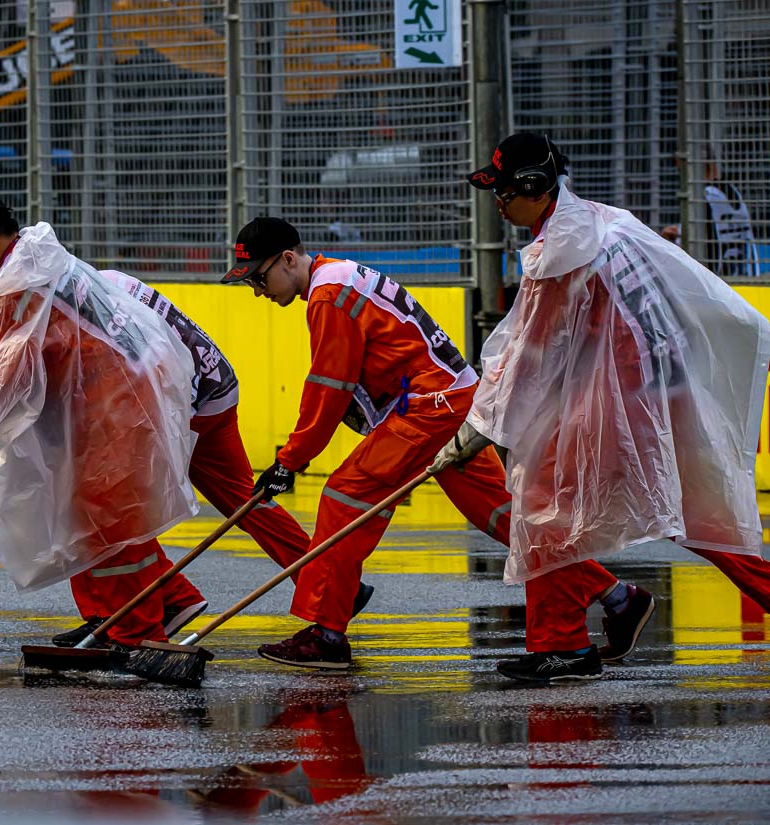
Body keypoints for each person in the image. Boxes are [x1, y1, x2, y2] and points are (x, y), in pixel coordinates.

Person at [452, 132, 770, 683]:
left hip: (619, 403)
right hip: (656, 390)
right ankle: (590, 624)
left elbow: (530, 355)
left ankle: (565, 644)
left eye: (503, 191)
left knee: (546, 503)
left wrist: (477, 429)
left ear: (533, 188)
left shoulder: (560, 252)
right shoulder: (605, 220)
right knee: (699, 517)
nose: (497, 203)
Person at [220, 216, 517, 671]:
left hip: (428, 406)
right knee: (503, 517)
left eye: (259, 278)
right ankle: (616, 597)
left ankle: (327, 634)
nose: (258, 290)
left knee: (344, 499)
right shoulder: (338, 277)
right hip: (454, 398)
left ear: (287, 259)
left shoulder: (328, 294)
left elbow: (328, 387)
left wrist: (289, 462)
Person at [0, 188, 203, 648]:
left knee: (106, 519)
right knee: (91, 515)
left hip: (113, 406)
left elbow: (1, 374)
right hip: (114, 398)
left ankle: (135, 633)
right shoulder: (39, 260)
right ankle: (163, 602)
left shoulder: (19, 281)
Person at [48, 266, 376, 648]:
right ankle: (330, 585)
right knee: (245, 501)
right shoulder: (104, 281)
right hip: (214, 386)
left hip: (181, 397)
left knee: (107, 499)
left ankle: (136, 607)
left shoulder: (77, 307)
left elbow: (144, 363)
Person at [659, 153, 760, 278]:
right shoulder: (731, 190)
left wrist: (676, 233)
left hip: (721, 276)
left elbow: (702, 233)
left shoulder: (707, 194)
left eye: (681, 170)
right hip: (746, 270)